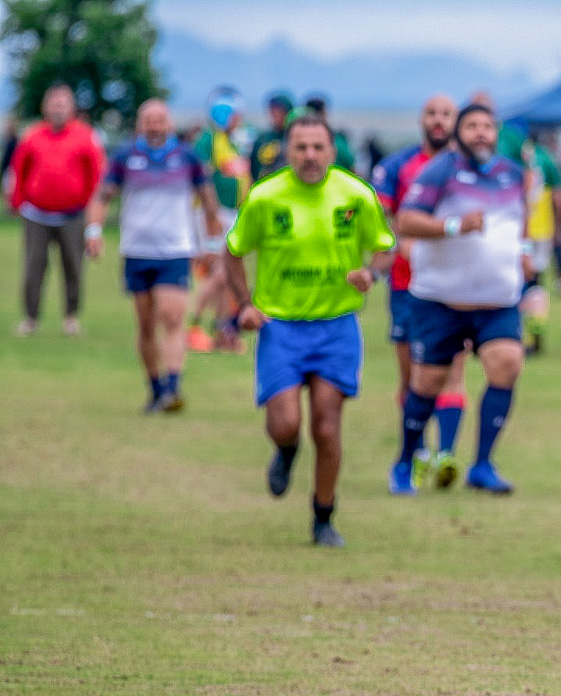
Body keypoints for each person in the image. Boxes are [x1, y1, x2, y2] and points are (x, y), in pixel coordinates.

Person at [224, 114, 395, 546]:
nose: (310, 156)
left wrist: (370, 275)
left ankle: (323, 516)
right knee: (286, 424)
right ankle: (285, 449)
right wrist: (244, 306)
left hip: (336, 326)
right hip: (280, 327)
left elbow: (384, 248)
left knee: (326, 425)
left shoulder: (355, 194)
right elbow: (233, 252)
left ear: (332, 151)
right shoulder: (266, 197)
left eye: (318, 147)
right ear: (288, 150)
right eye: (301, 147)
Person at [393, 103, 530, 496]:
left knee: (507, 364)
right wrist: (455, 225)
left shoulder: (512, 173)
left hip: (497, 299)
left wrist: (523, 253)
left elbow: (515, 222)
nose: (480, 133)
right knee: (427, 383)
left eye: (487, 126)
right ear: (458, 131)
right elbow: (406, 221)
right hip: (440, 300)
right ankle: (405, 461)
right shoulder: (440, 170)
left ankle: (483, 465)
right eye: (472, 126)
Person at [87, 99, 221, 415]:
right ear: (139, 124)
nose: (154, 125)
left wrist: (212, 242)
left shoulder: (187, 157)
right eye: (148, 120)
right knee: (146, 325)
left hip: (175, 250)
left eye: (160, 119)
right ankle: (155, 387)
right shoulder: (125, 156)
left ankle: (174, 387)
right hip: (136, 250)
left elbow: (208, 200)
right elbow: (103, 196)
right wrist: (93, 232)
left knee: (173, 318)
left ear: (169, 124)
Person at [372, 94, 471, 489]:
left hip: (456, 285)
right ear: (421, 119)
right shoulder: (398, 166)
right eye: (431, 113)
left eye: (446, 114)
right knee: (413, 377)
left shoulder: (469, 170)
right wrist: (400, 245)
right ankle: (417, 453)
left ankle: (445, 454)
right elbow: (385, 219)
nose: (438, 120)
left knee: (454, 369)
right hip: (406, 284)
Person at [9, 84, 103, 338]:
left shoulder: (85, 136)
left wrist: (93, 210)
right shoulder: (33, 135)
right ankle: (31, 317)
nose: (58, 108)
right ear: (45, 107)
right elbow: (19, 169)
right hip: (37, 214)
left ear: (72, 108)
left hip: (73, 214)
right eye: (54, 103)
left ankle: (70, 317)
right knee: (33, 266)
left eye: (63, 104)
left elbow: (97, 175)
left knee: (73, 266)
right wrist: (16, 202)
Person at [188, 87, 251, 354]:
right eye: (235, 114)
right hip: (212, 215)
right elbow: (202, 180)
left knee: (226, 277)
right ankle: (191, 326)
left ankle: (223, 331)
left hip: (229, 215)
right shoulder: (207, 141)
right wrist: (212, 217)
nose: (240, 119)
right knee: (218, 272)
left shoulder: (229, 141)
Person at [520, 130, 561, 354]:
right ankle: (536, 325)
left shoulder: (512, 158)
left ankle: (521, 331)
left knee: (519, 280)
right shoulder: (547, 159)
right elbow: (559, 198)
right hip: (542, 230)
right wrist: (558, 227)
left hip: (519, 230)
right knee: (536, 279)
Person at [302, 92, 357, 171]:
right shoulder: (338, 141)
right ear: (325, 113)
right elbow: (352, 168)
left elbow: (351, 167)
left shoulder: (338, 141)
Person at [249, 90, 294, 181]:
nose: (275, 114)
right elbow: (253, 166)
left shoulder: (293, 138)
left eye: (279, 111)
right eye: (272, 110)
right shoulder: (263, 139)